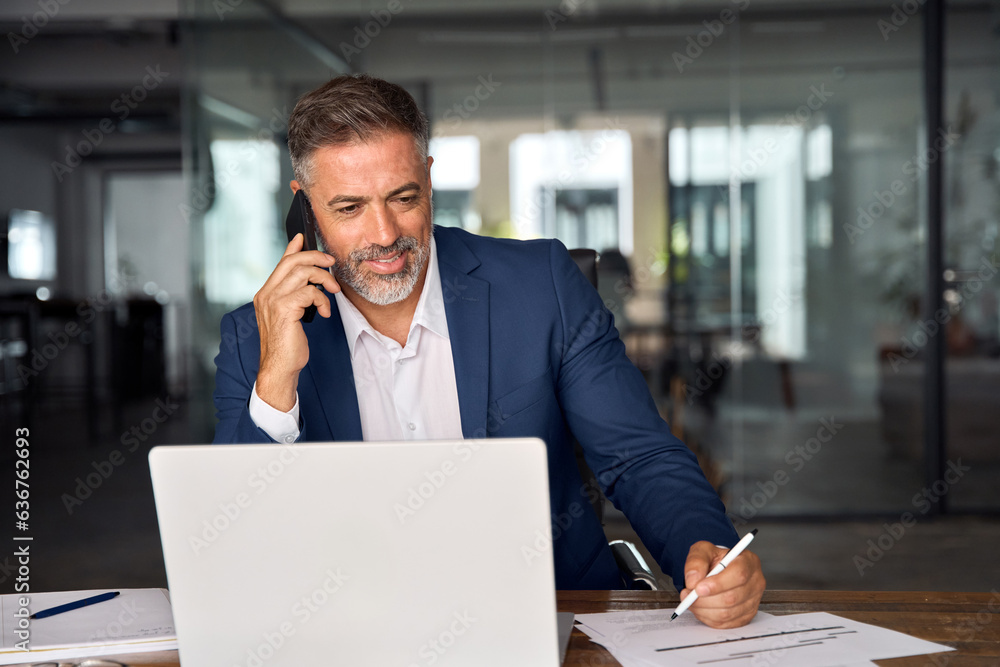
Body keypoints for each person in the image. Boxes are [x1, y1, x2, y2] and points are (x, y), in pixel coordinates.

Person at [213, 74, 764, 628]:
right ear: (305, 205)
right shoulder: (255, 337)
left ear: (429, 178)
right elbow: (239, 544)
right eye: (349, 208)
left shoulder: (541, 286)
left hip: (555, 618)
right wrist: (276, 381)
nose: (384, 234)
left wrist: (707, 550)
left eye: (404, 198)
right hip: (356, 628)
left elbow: (638, 456)